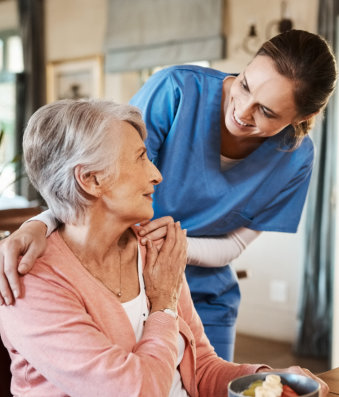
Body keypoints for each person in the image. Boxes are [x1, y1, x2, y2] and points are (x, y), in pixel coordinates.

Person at [0, 30, 337, 361]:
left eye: (266, 112)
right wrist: (40, 224)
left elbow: (234, 245)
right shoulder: (177, 90)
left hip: (205, 293)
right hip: (124, 277)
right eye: (245, 84)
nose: (242, 111)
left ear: (303, 118)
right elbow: (97, 175)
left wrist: (174, 249)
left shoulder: (295, 159)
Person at [0, 99, 328, 397]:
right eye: (141, 158)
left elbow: (200, 369)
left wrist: (268, 380)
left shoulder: (154, 252)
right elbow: (136, 392)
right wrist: (164, 305)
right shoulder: (29, 281)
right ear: (92, 180)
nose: (156, 175)